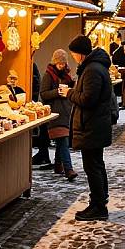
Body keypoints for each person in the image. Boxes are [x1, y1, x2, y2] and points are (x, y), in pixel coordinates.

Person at [61, 35, 112, 222]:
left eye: (73, 53)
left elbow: (87, 99)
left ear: (80, 54)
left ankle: (98, 206)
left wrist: (69, 93)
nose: (73, 56)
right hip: (94, 124)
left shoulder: (92, 70)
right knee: (97, 165)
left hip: (91, 125)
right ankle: (99, 201)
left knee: (93, 167)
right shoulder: (95, 67)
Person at [40, 49, 77, 180]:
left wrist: (71, 86)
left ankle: (58, 165)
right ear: (54, 62)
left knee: (62, 139)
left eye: (63, 64)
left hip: (66, 112)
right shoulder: (48, 75)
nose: (61, 66)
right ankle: (68, 169)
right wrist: (57, 92)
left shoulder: (67, 75)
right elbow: (43, 94)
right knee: (63, 141)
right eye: (59, 64)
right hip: (55, 113)